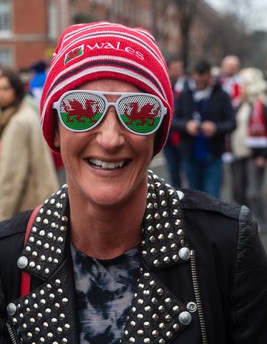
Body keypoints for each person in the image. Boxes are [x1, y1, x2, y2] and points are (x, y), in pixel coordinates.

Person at [0, 22, 266, 344]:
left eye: (138, 112)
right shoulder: (7, 256)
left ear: (157, 134)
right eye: (82, 109)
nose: (110, 139)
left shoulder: (227, 245)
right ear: (54, 128)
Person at [0, 67, 59, 221]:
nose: (1, 94)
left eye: (6, 89)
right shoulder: (24, 113)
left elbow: (11, 178)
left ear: (17, 90)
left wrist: (2, 219)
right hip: (42, 200)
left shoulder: (17, 123)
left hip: (29, 205)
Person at [172, 59, 236, 198]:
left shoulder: (222, 95)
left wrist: (215, 128)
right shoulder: (185, 94)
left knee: (212, 196)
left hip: (213, 154)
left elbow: (232, 123)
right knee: (194, 196)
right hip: (190, 153)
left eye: (203, 77)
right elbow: (173, 121)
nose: (199, 81)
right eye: (197, 77)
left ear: (209, 76)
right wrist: (186, 125)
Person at [231, 67, 267, 230]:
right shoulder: (240, 103)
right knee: (238, 190)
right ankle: (246, 222)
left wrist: (263, 154)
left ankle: (260, 222)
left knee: (253, 192)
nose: (241, 87)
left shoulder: (262, 103)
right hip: (238, 153)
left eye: (244, 84)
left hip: (254, 154)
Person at [163, 57, 186, 188]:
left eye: (179, 68)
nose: (178, 71)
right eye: (175, 68)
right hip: (168, 137)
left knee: (186, 171)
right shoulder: (164, 86)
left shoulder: (186, 87)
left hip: (183, 137)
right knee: (173, 170)